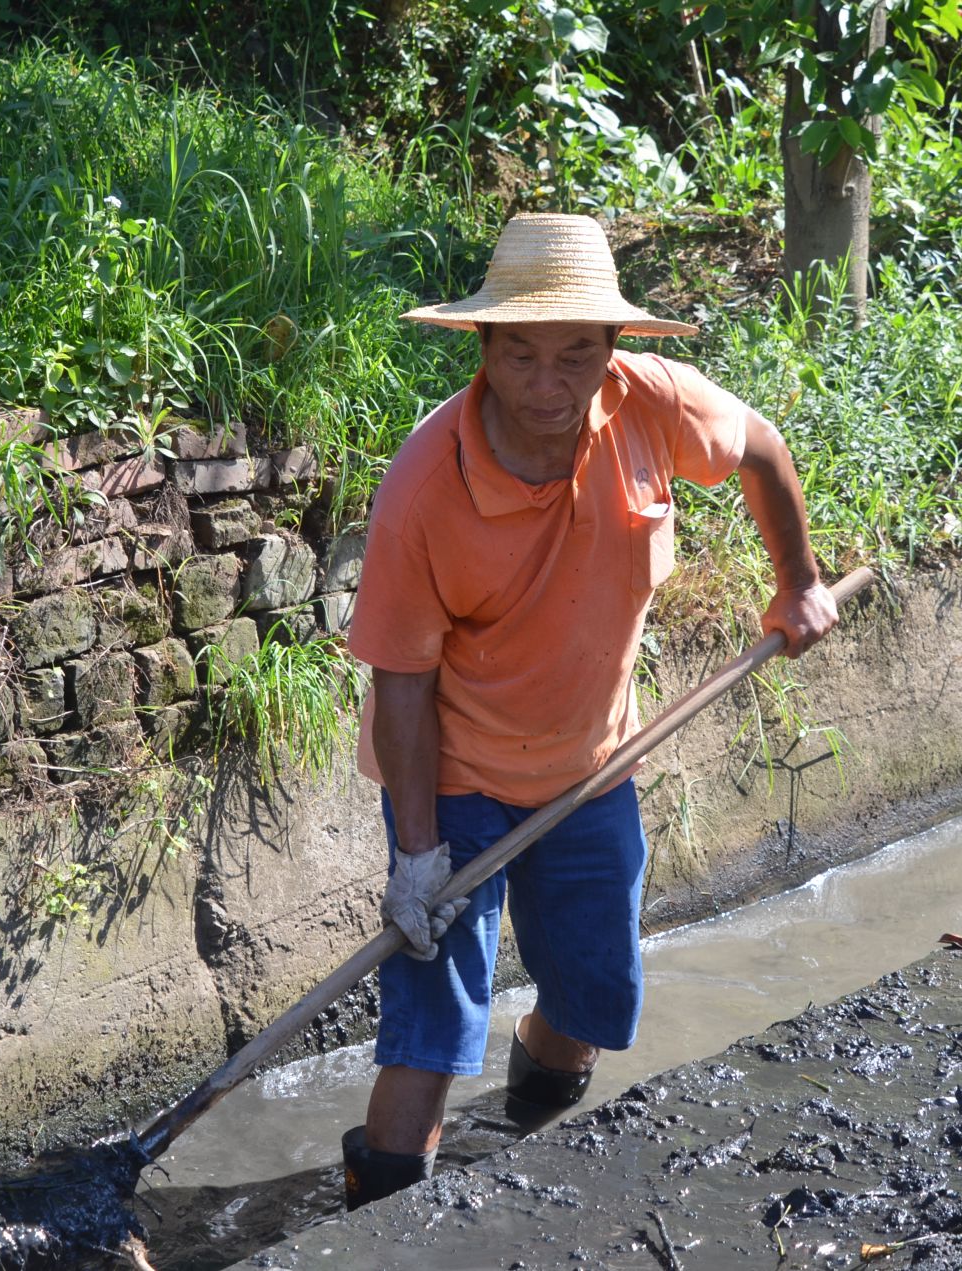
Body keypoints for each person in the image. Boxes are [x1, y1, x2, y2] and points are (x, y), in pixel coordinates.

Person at [339, 213, 839, 1207]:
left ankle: (535, 1136)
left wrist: (799, 582)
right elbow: (400, 680)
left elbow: (762, 449)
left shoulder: (650, 406)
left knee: (590, 1001)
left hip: (595, 767)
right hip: (457, 779)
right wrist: (416, 856)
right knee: (430, 1035)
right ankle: (378, 1207)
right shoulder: (425, 486)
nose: (547, 383)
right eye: (520, 354)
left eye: (576, 354)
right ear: (483, 351)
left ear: (613, 353)